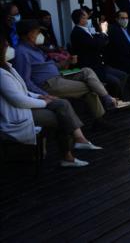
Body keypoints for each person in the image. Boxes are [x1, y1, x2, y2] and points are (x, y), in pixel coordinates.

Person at [0, 36, 100, 168]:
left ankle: (78, 141)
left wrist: (42, 97)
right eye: (6, 46)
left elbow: (24, 91)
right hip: (18, 116)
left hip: (27, 108)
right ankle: (69, 155)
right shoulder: (1, 73)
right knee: (62, 118)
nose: (10, 49)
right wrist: (44, 103)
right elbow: (18, 100)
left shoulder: (8, 67)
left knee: (62, 103)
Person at [13, 20, 128, 128]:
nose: (40, 35)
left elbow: (50, 66)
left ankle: (106, 102)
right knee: (91, 87)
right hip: (49, 84)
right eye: (37, 32)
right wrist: (43, 94)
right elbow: (25, 81)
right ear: (28, 34)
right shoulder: (22, 52)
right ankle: (103, 111)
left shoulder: (36, 49)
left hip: (59, 76)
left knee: (86, 71)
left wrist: (67, 62)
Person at [70, 9, 129, 99]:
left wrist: (101, 31)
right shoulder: (77, 32)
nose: (88, 19)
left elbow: (99, 40)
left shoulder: (85, 30)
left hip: (100, 65)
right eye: (86, 17)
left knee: (123, 75)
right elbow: (96, 44)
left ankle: (119, 99)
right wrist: (104, 32)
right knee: (115, 81)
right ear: (81, 18)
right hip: (92, 68)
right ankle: (113, 102)